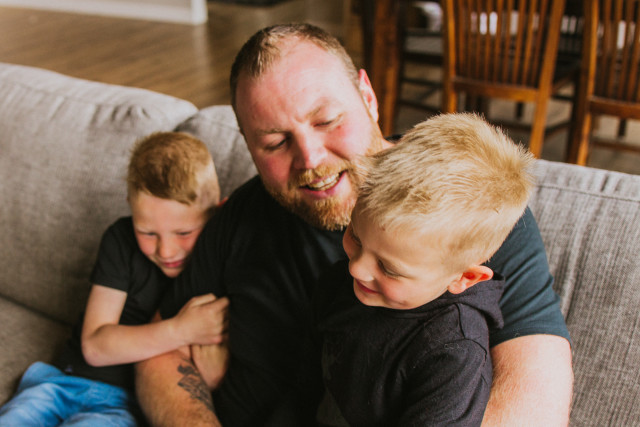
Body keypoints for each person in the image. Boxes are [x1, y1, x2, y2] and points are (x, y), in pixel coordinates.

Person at [136, 23, 573, 427]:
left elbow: (535, 392)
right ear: (247, 144)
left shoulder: (470, 211)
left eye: (327, 121)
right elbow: (159, 355)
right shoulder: (246, 212)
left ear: (367, 95)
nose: (310, 159)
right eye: (274, 142)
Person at [315, 113, 535, 426]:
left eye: (389, 269)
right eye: (356, 237)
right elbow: (303, 381)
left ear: (465, 277)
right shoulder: (344, 283)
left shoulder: (454, 353)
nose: (357, 268)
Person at [0, 132, 229, 426]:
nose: (166, 250)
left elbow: (210, 373)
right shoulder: (120, 240)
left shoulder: (220, 263)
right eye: (147, 232)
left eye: (184, 233)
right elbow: (95, 347)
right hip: (65, 382)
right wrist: (181, 330)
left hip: (124, 406)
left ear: (218, 211)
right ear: (130, 208)